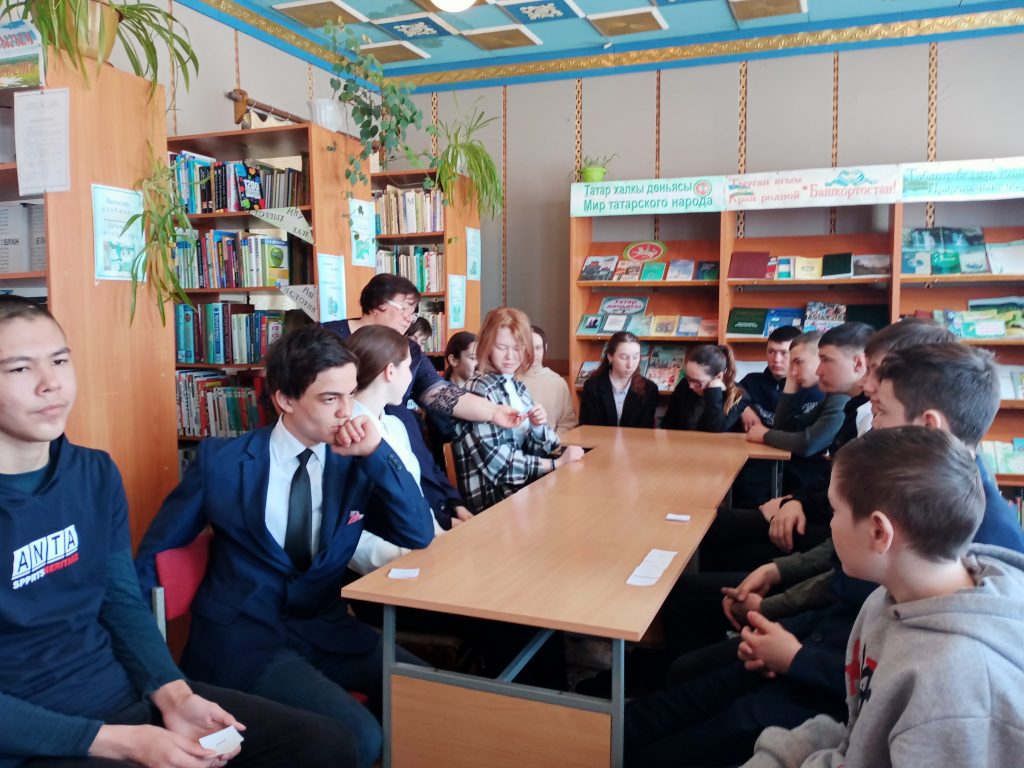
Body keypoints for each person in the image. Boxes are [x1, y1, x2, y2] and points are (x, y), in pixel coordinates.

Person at [0, 296, 357, 768]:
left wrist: (175, 696)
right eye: (20, 369)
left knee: (329, 745)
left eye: (60, 361)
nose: (51, 383)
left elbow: (121, 602)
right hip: (38, 740)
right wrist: (122, 742)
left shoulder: (94, 473)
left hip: (121, 698)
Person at [136, 325, 436, 768]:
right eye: (330, 398)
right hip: (245, 641)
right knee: (361, 737)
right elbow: (152, 559)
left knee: (435, 693)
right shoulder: (223, 462)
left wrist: (377, 453)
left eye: (351, 394)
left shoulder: (355, 462)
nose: (347, 411)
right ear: (285, 399)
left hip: (326, 631)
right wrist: (147, 670)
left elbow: (417, 532)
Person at [743, 427, 1024, 768]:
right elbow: (862, 731)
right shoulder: (887, 600)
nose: (830, 525)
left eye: (834, 511)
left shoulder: (955, 689)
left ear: (879, 531)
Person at [700, 323, 874, 572]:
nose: (819, 370)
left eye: (824, 360)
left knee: (715, 537)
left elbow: (808, 443)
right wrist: (791, 381)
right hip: (811, 504)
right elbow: (787, 429)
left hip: (821, 521)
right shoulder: (844, 401)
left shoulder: (852, 405)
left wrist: (766, 436)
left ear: (858, 363)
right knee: (711, 529)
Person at [324, 275, 481, 530]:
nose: (410, 317)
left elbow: (416, 471)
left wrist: (493, 412)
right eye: (405, 308)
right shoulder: (325, 340)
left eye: (413, 310)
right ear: (378, 304)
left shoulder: (398, 423)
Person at [452, 308, 584, 513]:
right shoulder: (478, 389)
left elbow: (548, 446)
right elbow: (499, 465)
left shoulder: (517, 386)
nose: (510, 356)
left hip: (523, 489)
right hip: (495, 502)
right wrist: (556, 464)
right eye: (501, 347)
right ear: (486, 346)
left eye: (517, 348)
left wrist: (537, 427)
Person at [345, 325, 446, 575]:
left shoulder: (395, 425)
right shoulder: (345, 434)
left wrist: (441, 540)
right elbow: (343, 529)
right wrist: (408, 558)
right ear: (390, 371)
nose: (411, 377)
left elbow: (416, 498)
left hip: (417, 544)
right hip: (376, 568)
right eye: (408, 367)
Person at [736, 330, 833, 505]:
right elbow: (731, 390)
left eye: (784, 353)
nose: (776, 359)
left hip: (801, 465)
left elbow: (806, 443)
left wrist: (766, 434)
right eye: (771, 352)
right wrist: (743, 408)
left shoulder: (822, 391)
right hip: (760, 459)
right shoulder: (752, 381)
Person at [579, 331, 658, 428]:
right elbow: (587, 427)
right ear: (610, 357)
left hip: (635, 438)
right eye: (624, 357)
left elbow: (646, 430)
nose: (630, 364)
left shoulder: (649, 389)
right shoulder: (592, 387)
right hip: (599, 438)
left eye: (635, 357)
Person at [661, 343, 748, 432]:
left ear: (718, 377)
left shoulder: (738, 396)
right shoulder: (685, 384)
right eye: (688, 378)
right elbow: (668, 421)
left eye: (697, 382)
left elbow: (716, 428)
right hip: (683, 440)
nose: (690, 386)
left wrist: (714, 391)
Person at [424, 331, 477, 472]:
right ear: (453, 360)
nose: (479, 365)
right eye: (473, 358)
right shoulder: (438, 399)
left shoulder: (478, 390)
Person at [522, 324, 578, 434]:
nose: (533, 354)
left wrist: (552, 440)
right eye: (528, 348)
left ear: (545, 348)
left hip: (550, 441)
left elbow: (568, 423)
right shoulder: (510, 380)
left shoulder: (558, 382)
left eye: (538, 348)